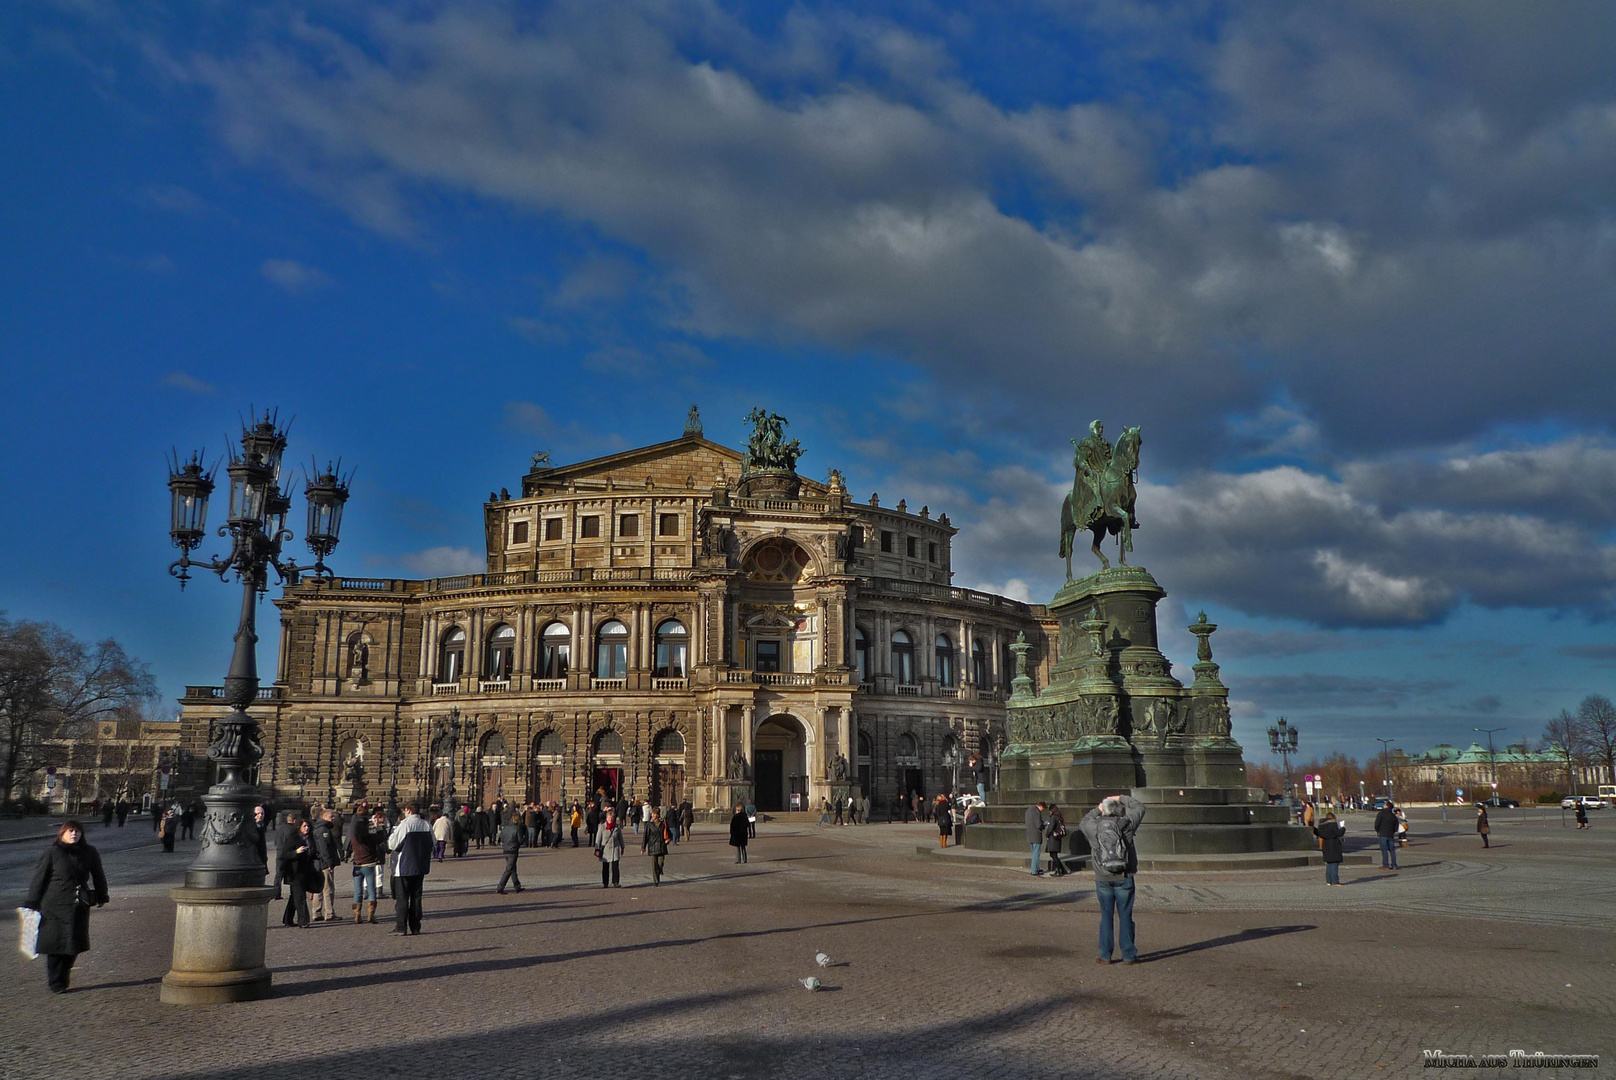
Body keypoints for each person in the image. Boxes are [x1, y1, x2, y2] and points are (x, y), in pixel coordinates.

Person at [22, 821, 108, 993]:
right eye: (70, 831)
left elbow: (98, 874)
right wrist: (32, 902)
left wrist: (101, 895)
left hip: (78, 906)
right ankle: (56, 982)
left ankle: (64, 974)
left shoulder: (90, 852)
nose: (74, 834)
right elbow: (39, 880)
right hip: (53, 907)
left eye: (77, 832)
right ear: (62, 834)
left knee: (73, 945)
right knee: (55, 945)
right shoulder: (52, 853)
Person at [1078, 794, 1147, 964]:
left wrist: (1098, 808)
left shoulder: (1093, 827)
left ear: (1104, 810)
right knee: (1125, 916)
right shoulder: (1127, 824)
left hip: (1103, 877)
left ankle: (1105, 955)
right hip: (1125, 875)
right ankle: (1129, 954)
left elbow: (1083, 821)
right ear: (1118, 810)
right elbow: (1140, 807)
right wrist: (1121, 797)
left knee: (1106, 916)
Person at [389, 804, 434, 935]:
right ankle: (415, 926)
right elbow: (433, 842)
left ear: (408, 810)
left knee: (402, 898)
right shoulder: (426, 825)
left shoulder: (405, 825)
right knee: (416, 897)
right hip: (420, 866)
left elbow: (393, 844)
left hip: (403, 866)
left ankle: (401, 927)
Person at [280, 820, 316, 929]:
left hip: (305, 871)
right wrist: (296, 852)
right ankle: (303, 920)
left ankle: (288, 919)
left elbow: (313, 853)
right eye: (304, 826)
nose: (307, 828)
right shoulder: (293, 838)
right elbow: (284, 854)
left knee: (294, 897)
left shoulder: (310, 838)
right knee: (300, 896)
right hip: (294, 872)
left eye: (308, 826)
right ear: (299, 827)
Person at [311, 809, 343, 922]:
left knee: (319, 888)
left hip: (319, 863)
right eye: (331, 816)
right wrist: (329, 863)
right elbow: (324, 848)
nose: (333, 818)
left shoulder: (319, 828)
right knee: (328, 888)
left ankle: (316, 912)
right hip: (325, 863)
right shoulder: (323, 830)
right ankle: (329, 913)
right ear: (324, 816)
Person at [350, 812, 382, 923]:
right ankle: (370, 915)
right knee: (371, 890)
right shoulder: (370, 837)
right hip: (369, 864)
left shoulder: (354, 837)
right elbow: (381, 838)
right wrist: (377, 827)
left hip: (357, 865)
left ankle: (357, 915)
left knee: (358, 891)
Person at [1313, 812, 1346, 887]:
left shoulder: (1322, 826)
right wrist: (1343, 828)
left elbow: (1318, 833)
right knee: (1334, 863)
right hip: (1334, 845)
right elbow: (1339, 833)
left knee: (1329, 864)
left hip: (1326, 845)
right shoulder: (1333, 824)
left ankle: (1329, 880)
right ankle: (1335, 881)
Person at [496, 812, 525, 894]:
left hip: (505, 850)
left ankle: (517, 886)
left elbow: (500, 838)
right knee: (509, 869)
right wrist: (524, 838)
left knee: (512, 868)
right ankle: (500, 887)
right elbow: (520, 840)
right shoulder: (517, 828)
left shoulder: (505, 828)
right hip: (513, 850)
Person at [595, 808, 624, 888]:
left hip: (615, 848)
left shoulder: (617, 827)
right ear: (606, 818)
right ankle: (605, 882)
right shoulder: (602, 827)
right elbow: (598, 839)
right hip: (605, 850)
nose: (610, 819)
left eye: (612, 817)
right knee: (605, 867)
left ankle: (615, 882)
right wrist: (597, 849)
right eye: (609, 817)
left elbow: (620, 837)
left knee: (615, 867)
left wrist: (622, 846)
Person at [642, 807, 670, 885]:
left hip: (661, 846)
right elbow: (645, 836)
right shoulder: (649, 824)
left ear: (658, 815)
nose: (654, 815)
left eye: (655, 814)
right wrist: (643, 847)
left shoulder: (663, 823)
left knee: (660, 864)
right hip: (652, 846)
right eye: (653, 814)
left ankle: (659, 870)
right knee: (654, 866)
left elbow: (669, 833)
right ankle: (656, 881)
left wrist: (668, 839)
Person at [1373, 800, 1400, 870]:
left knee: (1384, 850)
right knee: (1392, 850)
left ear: (1387, 806)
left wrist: (1378, 830)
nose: (1383, 805)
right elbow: (1396, 827)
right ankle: (1394, 864)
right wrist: (1392, 831)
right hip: (1390, 834)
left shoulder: (1381, 814)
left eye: (1385, 805)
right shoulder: (1393, 816)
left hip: (1382, 834)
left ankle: (1386, 865)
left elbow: (1377, 824)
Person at [1024, 801, 1048, 876]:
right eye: (1043, 808)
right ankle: (1034, 870)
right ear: (1041, 806)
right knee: (1036, 853)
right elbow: (1038, 825)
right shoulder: (1037, 812)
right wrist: (1044, 824)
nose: (1042, 810)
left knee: (1034, 851)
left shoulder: (1029, 810)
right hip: (1036, 835)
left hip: (1030, 834)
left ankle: (1037, 868)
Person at [1044, 804, 1067, 875]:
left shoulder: (1053, 817)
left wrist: (1047, 835)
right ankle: (1062, 870)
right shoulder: (1059, 817)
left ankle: (1058, 870)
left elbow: (1050, 828)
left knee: (1053, 855)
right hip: (1057, 838)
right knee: (1054, 854)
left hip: (1053, 838)